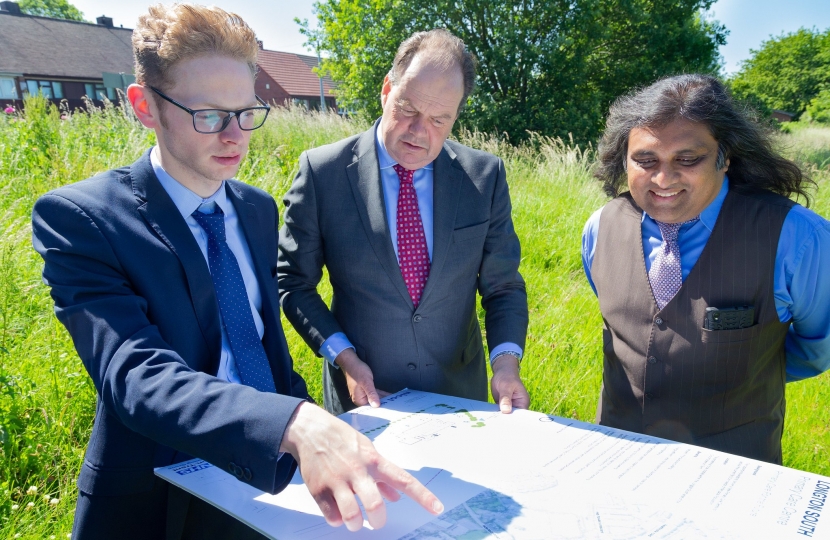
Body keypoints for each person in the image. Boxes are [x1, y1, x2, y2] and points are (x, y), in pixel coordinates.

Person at [31, 5, 441, 539]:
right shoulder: (82, 219)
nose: (235, 137)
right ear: (145, 106)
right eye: (209, 116)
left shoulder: (255, 209)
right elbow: (134, 376)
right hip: (158, 501)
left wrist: (317, 428)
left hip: (272, 480)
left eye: (246, 113)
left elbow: (261, 348)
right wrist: (293, 424)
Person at [278, 29, 529, 416]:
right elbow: (293, 282)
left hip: (460, 395)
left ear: (456, 114)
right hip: (365, 397)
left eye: (439, 119)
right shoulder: (322, 173)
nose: (419, 132)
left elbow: (504, 287)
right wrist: (343, 356)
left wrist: (506, 365)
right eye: (408, 109)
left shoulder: (484, 176)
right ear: (386, 89)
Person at [582, 73, 830, 464]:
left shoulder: (799, 238)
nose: (663, 178)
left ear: (725, 155)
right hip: (617, 460)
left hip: (736, 471)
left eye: (688, 159)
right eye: (645, 160)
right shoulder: (600, 227)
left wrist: (747, 374)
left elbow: (816, 349)